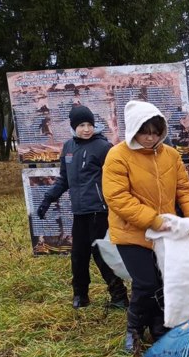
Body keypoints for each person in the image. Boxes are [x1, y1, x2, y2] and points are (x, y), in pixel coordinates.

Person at [102, 100, 189, 351]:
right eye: (144, 132)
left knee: (165, 281)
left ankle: (159, 328)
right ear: (133, 130)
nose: (150, 138)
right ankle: (134, 331)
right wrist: (153, 220)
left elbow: (184, 189)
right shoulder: (118, 156)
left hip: (164, 234)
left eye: (155, 132)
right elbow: (117, 198)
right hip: (132, 233)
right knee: (146, 283)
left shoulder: (170, 155)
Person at [37, 105, 128, 309]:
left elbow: (118, 177)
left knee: (101, 254)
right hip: (79, 212)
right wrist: (47, 199)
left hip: (99, 210)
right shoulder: (69, 147)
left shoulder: (103, 147)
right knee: (78, 255)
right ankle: (80, 296)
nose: (86, 129)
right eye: (81, 125)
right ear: (73, 127)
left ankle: (119, 297)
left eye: (89, 125)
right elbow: (64, 179)